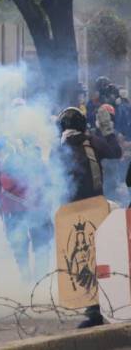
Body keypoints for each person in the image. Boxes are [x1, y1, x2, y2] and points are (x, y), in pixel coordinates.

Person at [56, 106, 121, 328]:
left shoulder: (59, 150)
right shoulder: (92, 141)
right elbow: (116, 152)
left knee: (81, 257)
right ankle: (102, 302)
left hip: (72, 211)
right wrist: (108, 130)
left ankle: (94, 306)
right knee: (98, 255)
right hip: (96, 207)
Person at [0, 137, 53, 282]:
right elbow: (48, 184)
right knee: (40, 245)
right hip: (34, 208)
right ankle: (40, 281)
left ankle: (29, 280)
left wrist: (3, 214)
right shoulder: (34, 158)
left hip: (15, 210)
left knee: (21, 247)